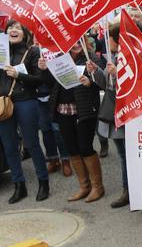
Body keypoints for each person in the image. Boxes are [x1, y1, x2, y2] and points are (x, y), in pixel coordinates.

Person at [38, 37, 104, 203]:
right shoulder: (59, 58)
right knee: (72, 149)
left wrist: (90, 81)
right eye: (71, 42)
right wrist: (45, 70)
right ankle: (84, 186)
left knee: (85, 147)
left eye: (78, 41)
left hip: (84, 110)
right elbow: (51, 84)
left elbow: (104, 83)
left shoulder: (91, 58)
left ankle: (98, 187)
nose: (74, 45)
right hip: (63, 109)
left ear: (83, 42)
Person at [0, 20, 49, 203]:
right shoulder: (1, 51)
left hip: (26, 102)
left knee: (32, 143)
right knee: (10, 147)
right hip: (3, 104)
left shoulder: (32, 51)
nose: (13, 30)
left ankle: (43, 182)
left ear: (24, 33)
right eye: (10, 28)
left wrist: (18, 75)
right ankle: (19, 185)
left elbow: (38, 80)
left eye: (17, 28)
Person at [90, 21, 128, 208]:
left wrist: (119, 74)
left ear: (116, 39)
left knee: (128, 154)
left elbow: (135, 85)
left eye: (110, 38)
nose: (108, 42)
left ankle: (131, 190)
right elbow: (106, 84)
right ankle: (127, 190)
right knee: (122, 153)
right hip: (114, 113)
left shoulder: (130, 57)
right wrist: (95, 71)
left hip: (127, 113)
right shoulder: (114, 57)